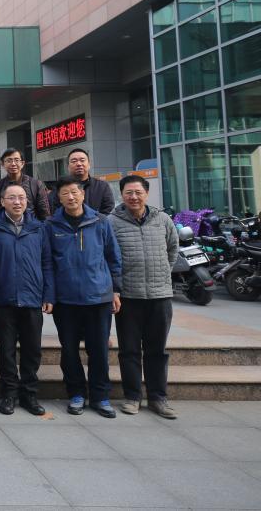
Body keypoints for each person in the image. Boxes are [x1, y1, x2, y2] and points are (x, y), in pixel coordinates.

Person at [45, 177, 123, 418]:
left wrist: (115, 290)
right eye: (65, 193)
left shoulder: (100, 222)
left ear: (82, 194)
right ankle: (76, 393)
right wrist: (50, 295)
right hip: (65, 299)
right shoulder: (50, 225)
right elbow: (47, 263)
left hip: (97, 297)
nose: (70, 197)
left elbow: (113, 257)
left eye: (74, 192)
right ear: (58, 198)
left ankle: (101, 396)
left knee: (98, 350)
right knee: (69, 351)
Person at [109, 175, 179, 419]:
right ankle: (132, 397)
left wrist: (162, 273)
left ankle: (158, 398)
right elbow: (108, 256)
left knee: (157, 350)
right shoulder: (112, 222)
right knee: (129, 350)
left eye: (138, 192)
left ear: (146, 194)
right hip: (128, 296)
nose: (134, 197)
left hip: (160, 296)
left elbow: (172, 249)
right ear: (122, 195)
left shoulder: (163, 219)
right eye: (129, 193)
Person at [0, 184, 54, 417]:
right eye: (12, 198)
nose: (17, 202)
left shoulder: (39, 227)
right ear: (2, 201)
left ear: (27, 201)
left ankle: (29, 394)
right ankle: (9, 394)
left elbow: (47, 262)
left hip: (32, 297)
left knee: (32, 350)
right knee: (6, 351)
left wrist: (48, 294)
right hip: (4, 298)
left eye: (21, 198)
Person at [49, 148, 116, 215]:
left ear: (89, 165)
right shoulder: (59, 189)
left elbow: (108, 210)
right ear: (68, 167)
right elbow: (55, 212)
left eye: (82, 160)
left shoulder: (102, 186)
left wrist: (96, 220)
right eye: (74, 161)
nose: (78, 164)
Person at [0, 148, 50, 220]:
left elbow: (44, 213)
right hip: (4, 225)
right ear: (2, 164)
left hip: (32, 225)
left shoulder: (36, 184)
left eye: (16, 160)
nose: (13, 164)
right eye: (9, 161)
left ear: (22, 163)